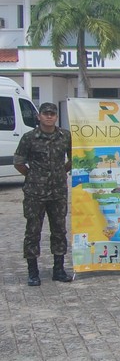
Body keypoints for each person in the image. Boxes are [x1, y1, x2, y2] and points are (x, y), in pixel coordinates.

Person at [15, 102, 72, 286]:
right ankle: (33, 272)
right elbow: (19, 162)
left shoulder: (65, 136)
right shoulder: (29, 138)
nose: (49, 116)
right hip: (35, 193)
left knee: (59, 231)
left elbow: (73, 158)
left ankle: (59, 270)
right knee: (33, 231)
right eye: (45, 113)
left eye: (52, 114)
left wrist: (61, 172)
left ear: (56, 117)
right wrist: (32, 176)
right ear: (39, 116)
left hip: (58, 192)